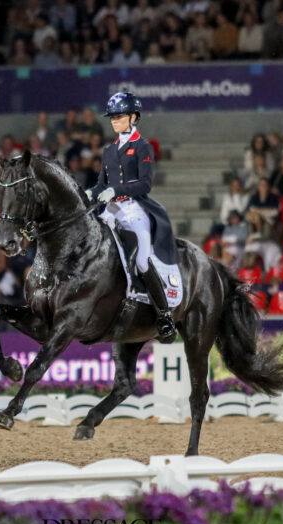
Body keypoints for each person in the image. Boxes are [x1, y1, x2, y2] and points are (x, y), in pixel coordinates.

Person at [87, 91, 177, 342]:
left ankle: (164, 315)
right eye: (112, 117)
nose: (114, 121)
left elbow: (145, 184)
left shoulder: (142, 146)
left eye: (119, 116)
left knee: (142, 261)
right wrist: (89, 193)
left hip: (135, 208)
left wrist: (116, 190)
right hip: (111, 210)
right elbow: (101, 184)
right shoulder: (109, 150)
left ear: (133, 117)